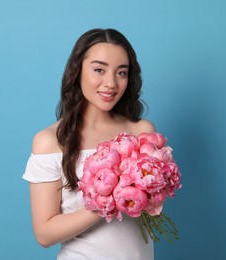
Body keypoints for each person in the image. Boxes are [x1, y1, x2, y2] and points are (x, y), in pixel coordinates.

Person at [23, 28, 156, 259]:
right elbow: (44, 234)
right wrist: (108, 201)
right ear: (77, 72)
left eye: (121, 73)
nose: (111, 83)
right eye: (99, 70)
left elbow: (152, 210)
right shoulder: (50, 142)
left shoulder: (142, 132)